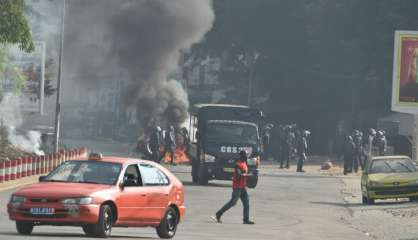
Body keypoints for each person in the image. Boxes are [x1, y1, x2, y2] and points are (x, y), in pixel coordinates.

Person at [212, 150, 255, 225]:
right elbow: (239, 175)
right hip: (237, 187)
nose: (246, 157)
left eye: (247, 156)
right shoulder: (237, 165)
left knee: (246, 204)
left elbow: (244, 173)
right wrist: (248, 175)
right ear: (241, 156)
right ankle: (218, 214)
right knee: (233, 203)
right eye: (245, 155)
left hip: (243, 187)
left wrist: (247, 176)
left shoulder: (244, 163)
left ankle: (246, 219)